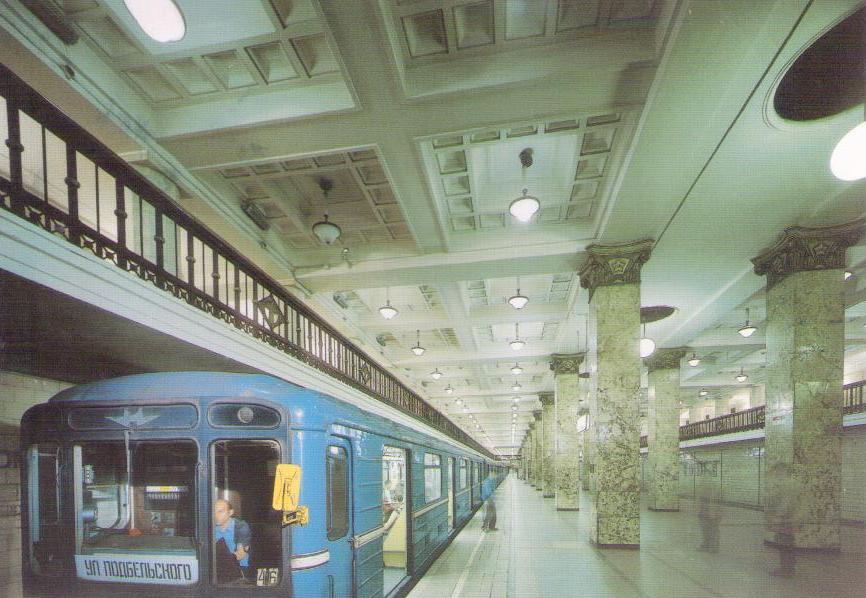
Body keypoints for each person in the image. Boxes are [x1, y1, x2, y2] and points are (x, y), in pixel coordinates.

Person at [214, 498, 252, 583]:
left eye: (220, 512)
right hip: (218, 570)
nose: (216, 515)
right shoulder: (211, 528)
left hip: (240, 571)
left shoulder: (241, 526)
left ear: (230, 512)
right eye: (214, 512)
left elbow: (240, 554)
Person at [696, 477, 721, 552]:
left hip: (713, 514)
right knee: (705, 529)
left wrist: (715, 513)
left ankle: (714, 547)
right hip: (704, 513)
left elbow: (717, 504)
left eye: (704, 483)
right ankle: (706, 545)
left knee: (713, 530)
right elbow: (699, 502)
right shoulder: (702, 492)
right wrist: (699, 512)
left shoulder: (715, 492)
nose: (702, 485)